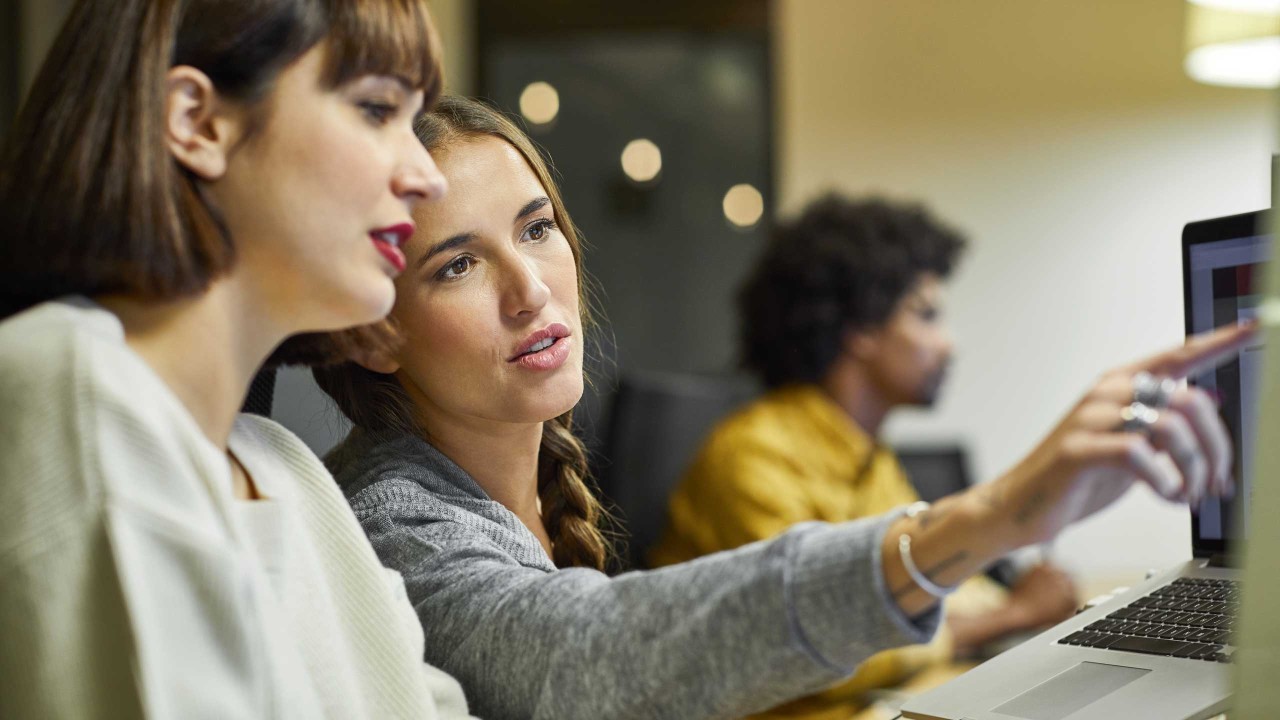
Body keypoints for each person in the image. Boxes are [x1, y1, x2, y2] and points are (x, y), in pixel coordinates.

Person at [315, 95, 1252, 720]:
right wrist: (995, 515)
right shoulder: (391, 523)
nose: (532, 291)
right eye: (458, 264)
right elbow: (583, 653)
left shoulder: (516, 489)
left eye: (537, 227)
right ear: (372, 329)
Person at [0, 1, 477, 717]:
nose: (425, 175)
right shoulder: (70, 385)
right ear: (196, 120)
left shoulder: (286, 471)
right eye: (377, 109)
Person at [648, 195, 1078, 719]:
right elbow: (814, 645)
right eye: (926, 316)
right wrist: (1013, 613)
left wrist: (1054, 610)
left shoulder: (869, 458)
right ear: (861, 331)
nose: (948, 344)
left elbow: (934, 586)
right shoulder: (749, 457)